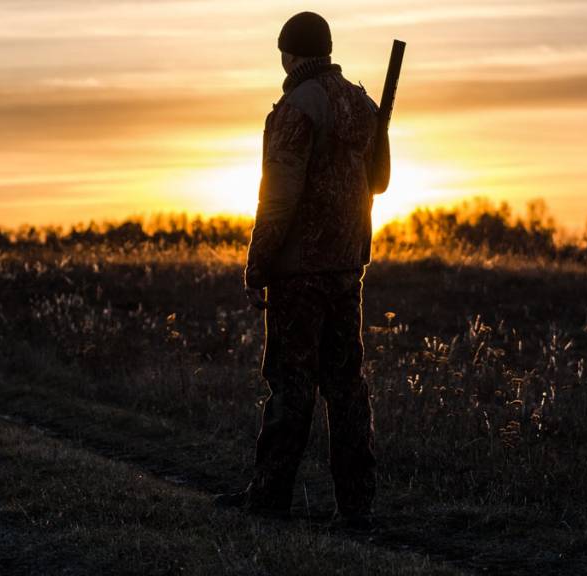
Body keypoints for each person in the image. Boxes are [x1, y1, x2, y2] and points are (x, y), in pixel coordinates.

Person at [214, 11, 391, 529]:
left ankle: (269, 500)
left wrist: (258, 264)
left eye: (283, 54)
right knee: (346, 384)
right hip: (346, 266)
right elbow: (378, 182)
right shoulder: (361, 103)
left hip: (298, 270)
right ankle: (356, 505)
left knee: (291, 383)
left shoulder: (295, 107)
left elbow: (278, 197)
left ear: (291, 55)